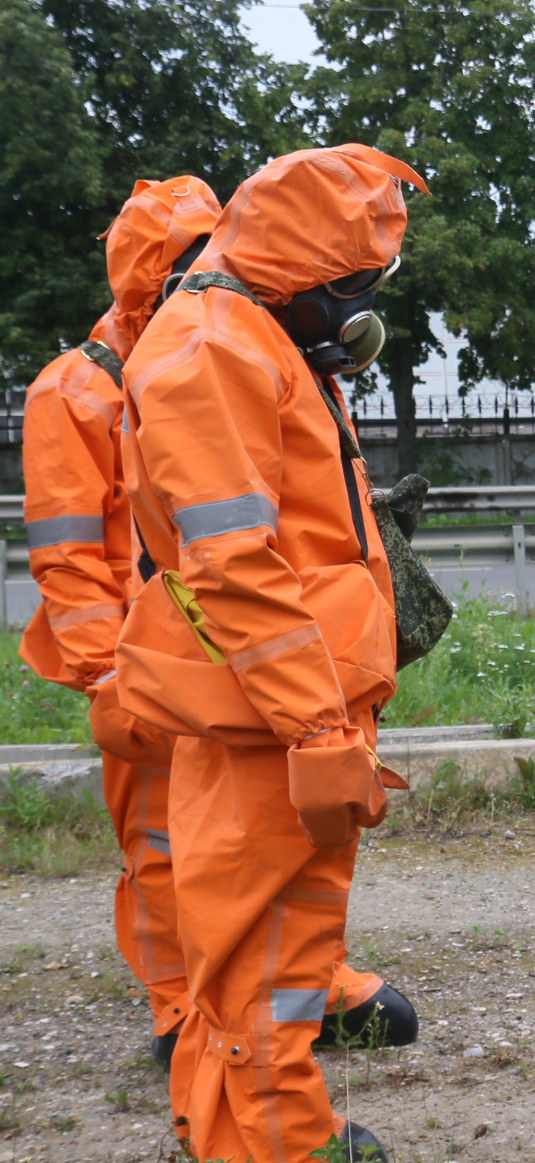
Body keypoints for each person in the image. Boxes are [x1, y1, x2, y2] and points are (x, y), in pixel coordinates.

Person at [18, 178, 415, 1077]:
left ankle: (304, 988)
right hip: (154, 664)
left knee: (280, 843)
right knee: (167, 846)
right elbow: (71, 559)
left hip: (249, 658)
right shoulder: (76, 393)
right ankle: (185, 1010)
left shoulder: (248, 339)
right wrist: (104, 678)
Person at [114, 144, 430, 1163]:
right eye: (352, 289)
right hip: (266, 719)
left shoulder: (258, 336)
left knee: (286, 956)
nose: (359, 314)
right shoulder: (211, 351)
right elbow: (236, 566)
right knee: (259, 960)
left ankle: (267, 1139)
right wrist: (315, 722)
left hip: (292, 709)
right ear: (298, 270)